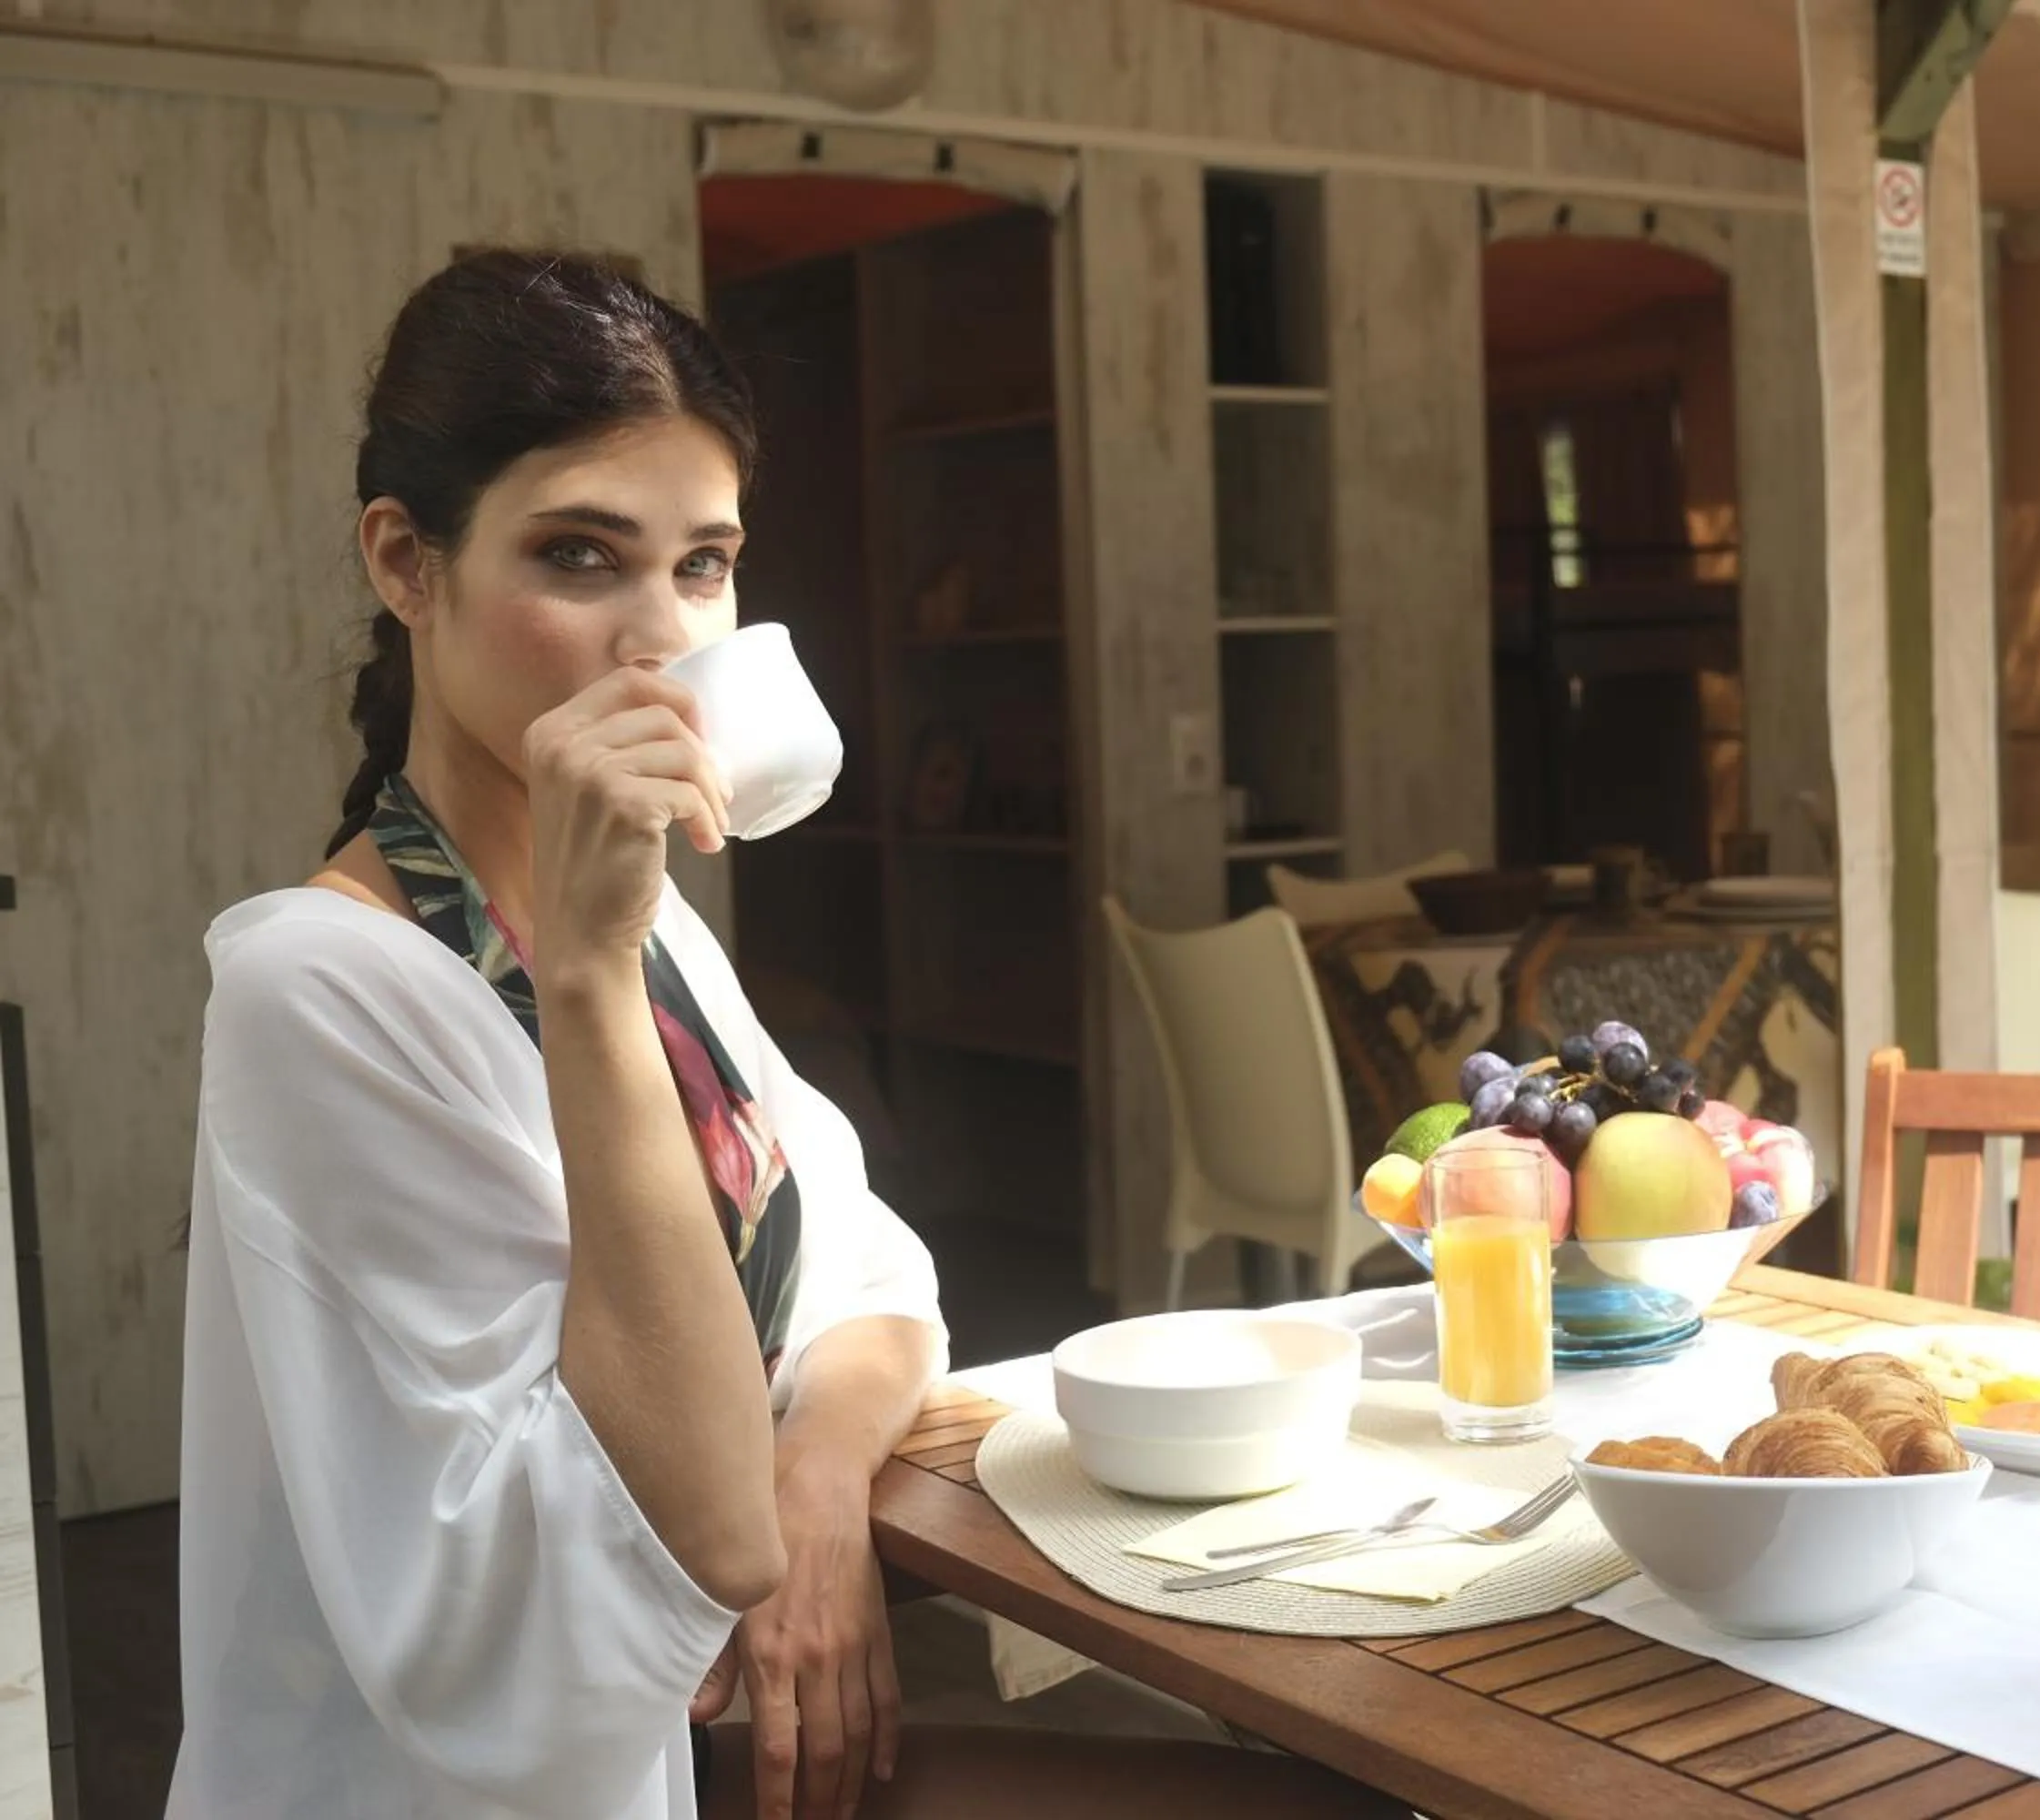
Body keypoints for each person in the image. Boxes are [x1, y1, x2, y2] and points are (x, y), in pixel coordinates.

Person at [170, 250, 1403, 1820]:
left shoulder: (655, 937)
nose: (658, 640)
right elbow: (671, 1551)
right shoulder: (322, 989)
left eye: (703, 566)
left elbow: (872, 1276)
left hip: (705, 1753)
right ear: (407, 563)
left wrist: (818, 1485)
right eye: (578, 555)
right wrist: (589, 983)